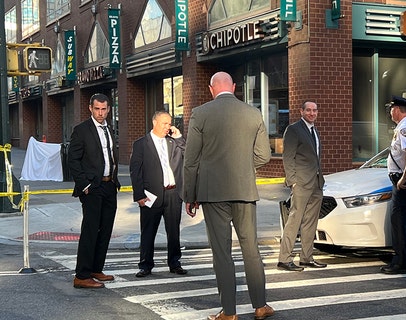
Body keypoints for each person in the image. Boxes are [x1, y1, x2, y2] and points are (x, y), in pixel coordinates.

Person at [183, 72, 274, 320]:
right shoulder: (253, 113)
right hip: (244, 190)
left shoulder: (200, 113)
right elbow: (264, 156)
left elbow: (190, 160)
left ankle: (229, 312)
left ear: (212, 89)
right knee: (251, 249)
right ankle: (260, 306)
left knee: (222, 253)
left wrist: (189, 195)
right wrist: (244, 168)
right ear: (234, 87)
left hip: (212, 193)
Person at [68, 93, 121, 289]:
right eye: (97, 109)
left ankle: (96, 269)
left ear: (108, 109)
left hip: (109, 186)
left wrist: (115, 180)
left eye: (104, 109)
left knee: (105, 230)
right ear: (90, 108)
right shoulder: (81, 130)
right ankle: (81, 275)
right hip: (92, 188)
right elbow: (72, 160)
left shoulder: (110, 128)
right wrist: (85, 185)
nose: (100, 113)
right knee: (90, 231)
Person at [130, 111, 187, 278]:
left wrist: (179, 138)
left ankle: (175, 263)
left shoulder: (173, 142)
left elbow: (189, 155)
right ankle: (145, 265)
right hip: (151, 195)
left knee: (173, 231)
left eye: (169, 123)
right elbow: (135, 171)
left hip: (173, 193)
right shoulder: (141, 144)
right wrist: (139, 195)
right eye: (164, 123)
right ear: (154, 122)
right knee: (148, 231)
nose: (167, 127)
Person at [277, 101, 327, 272]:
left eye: (315, 110)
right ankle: (284, 259)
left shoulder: (315, 131)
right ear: (302, 111)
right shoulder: (294, 130)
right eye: (308, 110)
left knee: (310, 222)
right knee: (294, 220)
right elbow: (287, 156)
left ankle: (306, 257)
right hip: (301, 183)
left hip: (316, 183)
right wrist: (292, 181)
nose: (312, 113)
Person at [380, 96, 406, 274]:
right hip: (402, 178)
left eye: (392, 108)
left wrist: (404, 177)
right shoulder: (403, 126)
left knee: (399, 220)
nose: (390, 112)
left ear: (398, 110)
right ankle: (404, 258)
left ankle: (401, 261)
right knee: (403, 221)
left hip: (403, 180)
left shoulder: (405, 127)